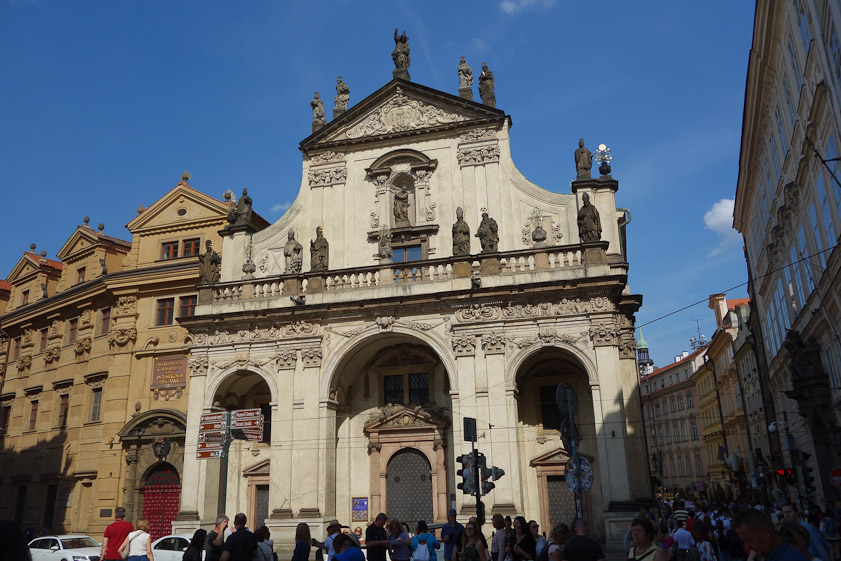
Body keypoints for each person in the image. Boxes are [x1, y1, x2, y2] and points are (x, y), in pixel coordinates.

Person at [733, 508, 808, 561]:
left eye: (749, 540)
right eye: (744, 541)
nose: (747, 546)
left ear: (765, 532)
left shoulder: (792, 558)